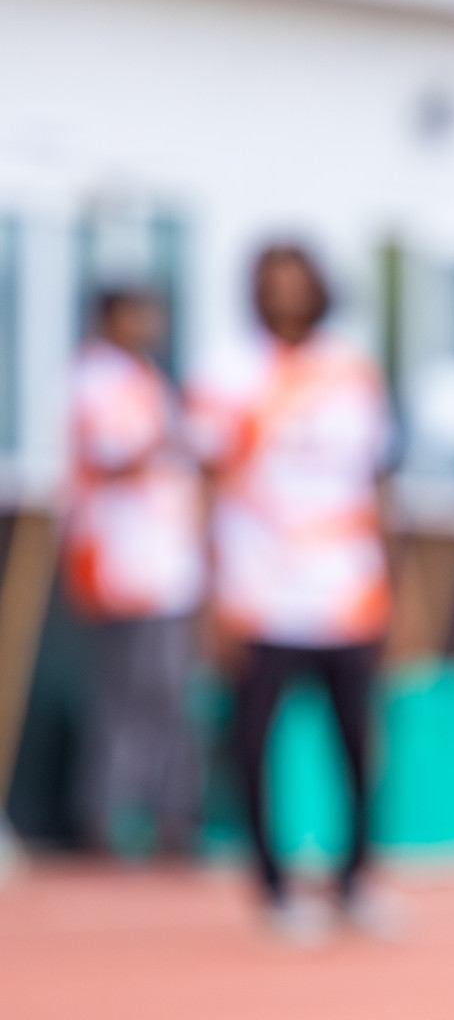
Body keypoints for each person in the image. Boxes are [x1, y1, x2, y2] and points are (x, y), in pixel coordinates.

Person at [187, 244, 393, 941]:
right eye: (274, 285)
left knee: (358, 744)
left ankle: (355, 881)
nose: (287, 297)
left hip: (346, 591)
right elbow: (204, 484)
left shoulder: (353, 371)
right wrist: (210, 591)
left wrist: (396, 583)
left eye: (298, 284)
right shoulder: (226, 372)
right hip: (259, 592)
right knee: (253, 745)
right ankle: (273, 889)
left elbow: (377, 483)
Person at [65, 287, 205, 857]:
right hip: (120, 566)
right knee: (130, 695)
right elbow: (111, 457)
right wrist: (171, 443)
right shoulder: (93, 379)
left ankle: (169, 816)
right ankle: (107, 814)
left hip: (167, 568)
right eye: (135, 313)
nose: (147, 323)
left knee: (168, 694)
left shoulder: (148, 378)